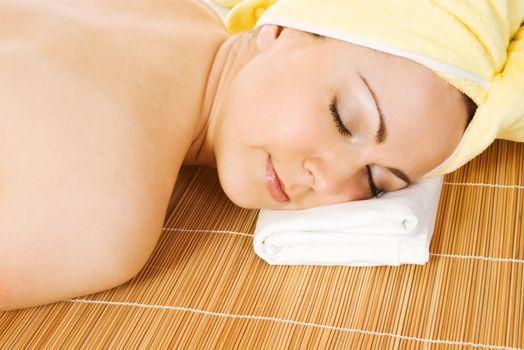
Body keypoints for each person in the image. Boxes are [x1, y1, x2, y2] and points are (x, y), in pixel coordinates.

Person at [0, 0, 521, 310]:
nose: (329, 181)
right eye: (345, 118)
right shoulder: (101, 219)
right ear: (280, 28)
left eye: (376, 182)